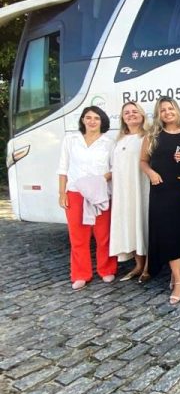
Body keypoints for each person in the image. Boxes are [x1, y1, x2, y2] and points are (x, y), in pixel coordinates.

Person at [140, 97, 180, 304]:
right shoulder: (152, 135)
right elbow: (143, 161)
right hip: (161, 192)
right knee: (168, 234)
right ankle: (179, 280)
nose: (167, 112)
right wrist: (151, 173)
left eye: (170, 108)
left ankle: (177, 275)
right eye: (163, 110)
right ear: (159, 114)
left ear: (177, 110)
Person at [57, 106, 116, 290]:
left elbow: (114, 168)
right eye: (88, 117)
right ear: (82, 120)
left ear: (102, 121)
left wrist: (99, 180)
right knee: (78, 237)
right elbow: (63, 168)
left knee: (103, 235)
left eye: (96, 118)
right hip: (75, 193)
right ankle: (81, 274)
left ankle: (106, 270)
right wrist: (62, 193)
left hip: (100, 193)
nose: (92, 121)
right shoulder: (71, 140)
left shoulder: (108, 142)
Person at [110, 102, 150, 282]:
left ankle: (148, 266)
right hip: (123, 191)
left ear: (142, 115)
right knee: (130, 225)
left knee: (144, 223)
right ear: (122, 118)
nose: (131, 114)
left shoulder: (148, 136)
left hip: (142, 187)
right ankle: (138, 265)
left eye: (135, 111)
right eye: (126, 112)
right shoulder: (118, 140)